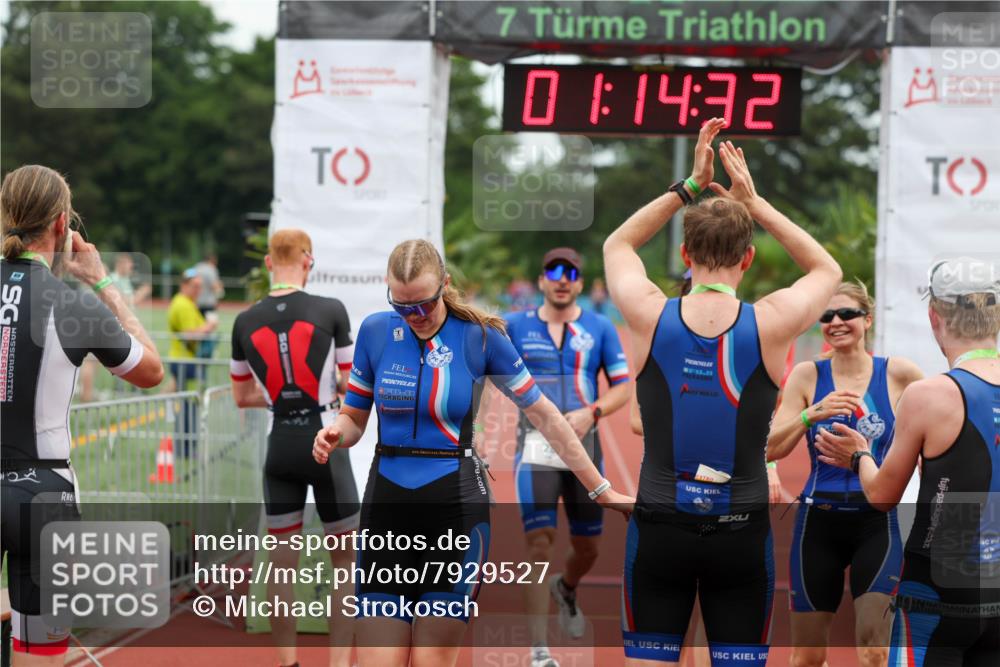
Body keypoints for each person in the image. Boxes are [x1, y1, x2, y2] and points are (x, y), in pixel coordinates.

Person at [312, 239, 633, 667]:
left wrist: (602, 490)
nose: (416, 317)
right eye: (403, 306)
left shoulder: (481, 338)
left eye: (424, 304)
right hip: (386, 507)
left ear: (444, 285)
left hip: (455, 511)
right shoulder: (375, 331)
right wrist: (336, 431)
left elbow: (548, 418)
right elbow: (354, 419)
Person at [603, 118, 842, 666]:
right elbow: (825, 267)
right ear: (749, 258)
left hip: (660, 527)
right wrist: (754, 203)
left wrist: (689, 185)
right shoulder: (773, 321)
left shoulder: (647, 312)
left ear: (685, 256)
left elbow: (619, 242)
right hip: (741, 533)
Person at [0, 165, 163, 665]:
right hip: (44, 494)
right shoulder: (72, 304)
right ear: (62, 225)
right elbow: (151, 369)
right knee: (37, 653)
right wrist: (104, 282)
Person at [815, 257, 1000, 667]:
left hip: (938, 595)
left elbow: (882, 496)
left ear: (935, 316)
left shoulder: (929, 395)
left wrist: (859, 454)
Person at [767, 281, 924, 667]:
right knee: (806, 656)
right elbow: (770, 447)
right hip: (818, 523)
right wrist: (811, 413)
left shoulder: (898, 373)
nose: (836, 322)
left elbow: (937, 433)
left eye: (847, 314)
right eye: (827, 316)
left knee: (873, 649)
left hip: (877, 521)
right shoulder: (807, 376)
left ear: (867, 320)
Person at [230, 229, 358, 667]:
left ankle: (288, 662)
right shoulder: (331, 310)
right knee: (344, 561)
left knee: (282, 563)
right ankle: (339, 663)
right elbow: (350, 382)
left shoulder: (244, 321)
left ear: (268, 262)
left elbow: (241, 396)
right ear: (309, 260)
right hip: (326, 440)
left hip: (280, 441)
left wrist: (279, 395)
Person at [502, 247, 632, 666]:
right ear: (541, 281)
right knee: (538, 543)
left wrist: (592, 411)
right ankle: (539, 650)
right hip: (536, 446)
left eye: (571, 273)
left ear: (579, 283)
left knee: (588, 547)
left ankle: (568, 587)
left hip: (584, 447)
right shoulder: (516, 326)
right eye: (553, 271)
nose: (562, 279)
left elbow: (622, 388)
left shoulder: (599, 327)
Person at [167, 268, 217, 391]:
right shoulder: (184, 305)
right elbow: (189, 335)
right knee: (190, 403)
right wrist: (210, 325)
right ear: (184, 286)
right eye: (195, 286)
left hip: (183, 359)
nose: (198, 290)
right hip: (185, 361)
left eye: (200, 287)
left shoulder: (186, 302)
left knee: (179, 398)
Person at [193, 251, 224, 318]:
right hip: (209, 302)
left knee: (198, 324)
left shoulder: (197, 267)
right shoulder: (211, 269)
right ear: (213, 260)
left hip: (197, 302)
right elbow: (215, 286)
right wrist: (220, 290)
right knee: (210, 324)